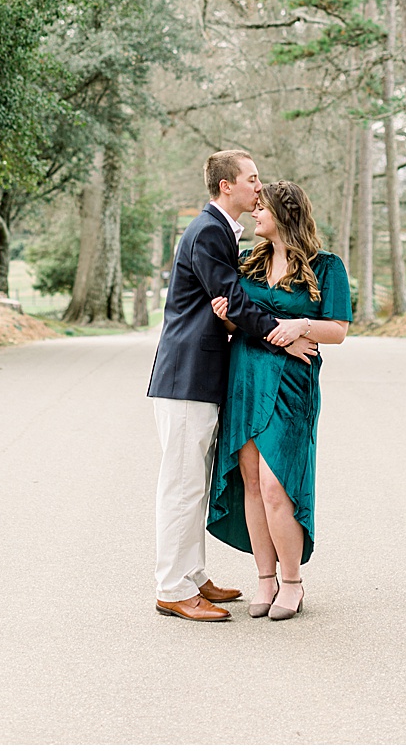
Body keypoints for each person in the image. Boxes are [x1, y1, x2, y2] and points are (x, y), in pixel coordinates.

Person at [144, 150, 318, 621]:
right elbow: (235, 302)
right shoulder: (209, 231)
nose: (258, 188)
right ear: (227, 186)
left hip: (202, 378)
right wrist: (286, 338)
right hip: (186, 378)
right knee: (181, 487)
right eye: (252, 179)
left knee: (193, 484)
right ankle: (172, 589)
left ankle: (193, 576)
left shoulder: (221, 231)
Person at [206, 180, 351, 621]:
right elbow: (240, 321)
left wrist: (302, 325)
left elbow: (339, 330)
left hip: (292, 383)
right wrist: (226, 320)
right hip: (246, 377)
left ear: (284, 213)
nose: (254, 213)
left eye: (262, 207)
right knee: (250, 481)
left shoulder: (327, 266)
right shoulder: (249, 263)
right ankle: (264, 581)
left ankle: (293, 583)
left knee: (276, 484)